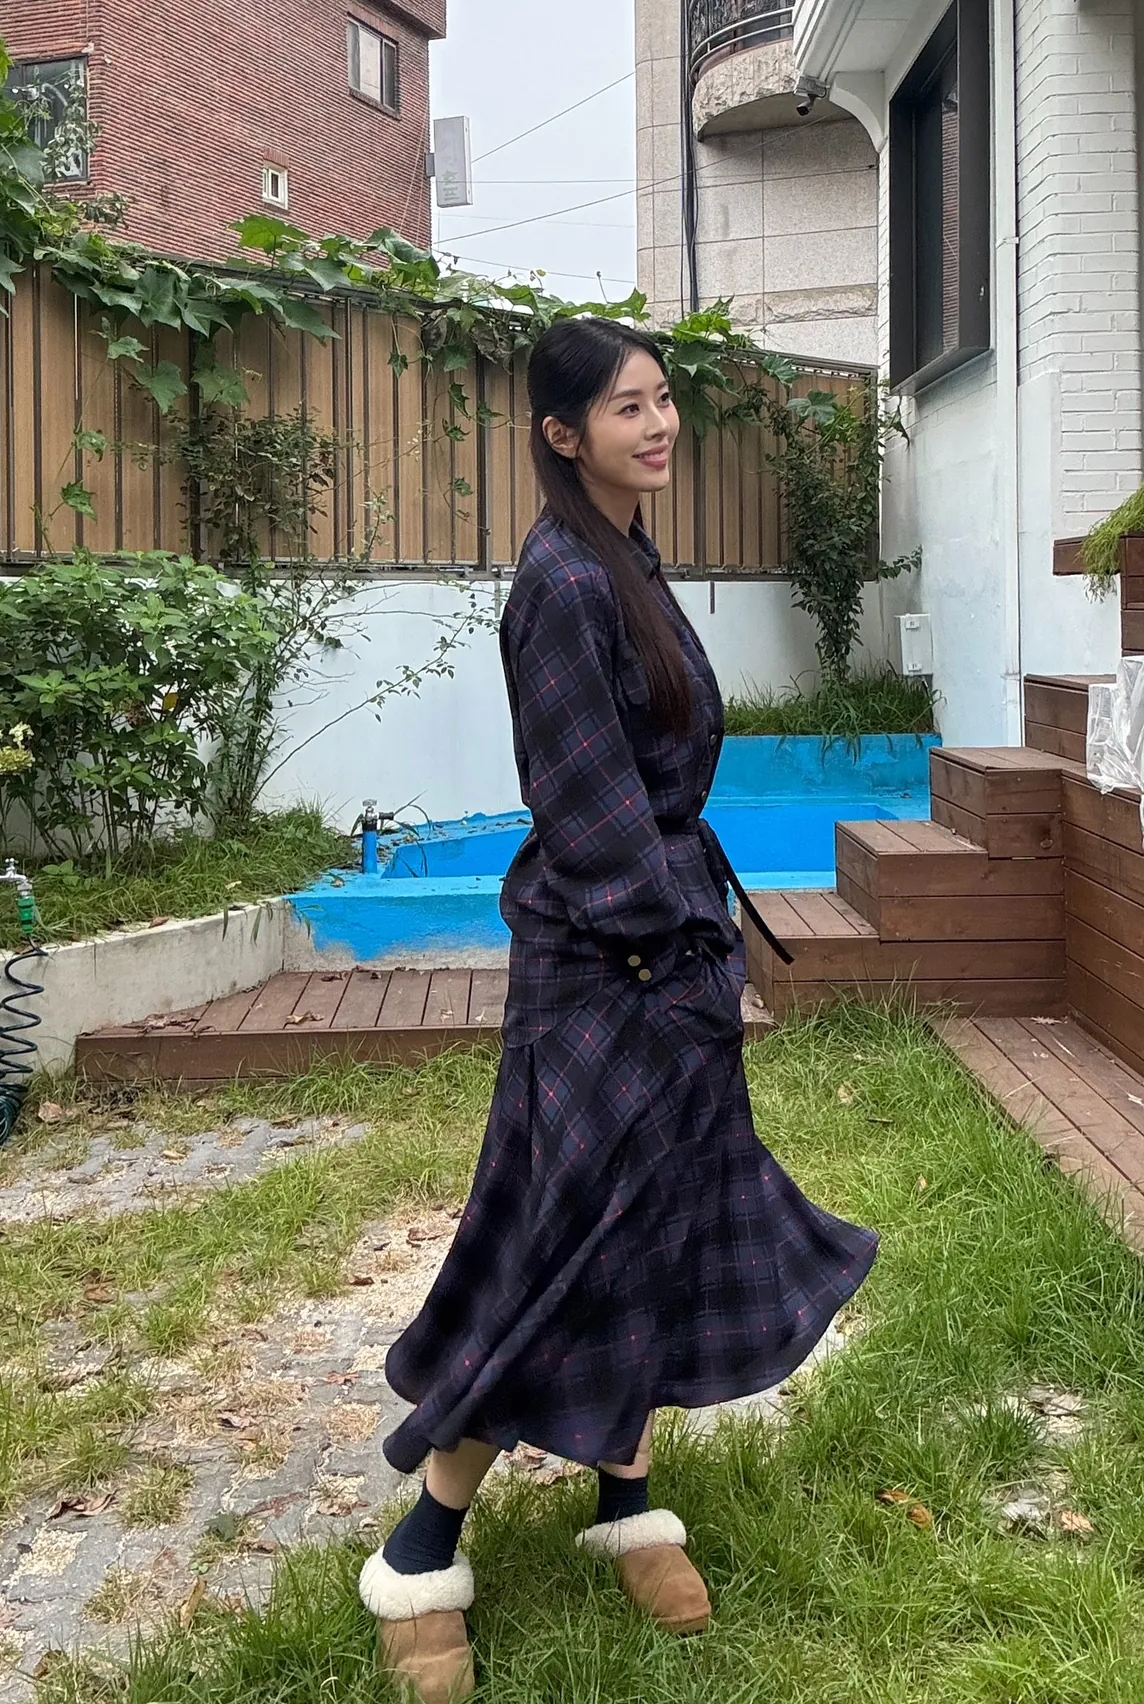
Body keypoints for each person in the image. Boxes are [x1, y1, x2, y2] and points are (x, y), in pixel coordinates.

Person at [357, 318, 878, 1703]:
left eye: (662, 400)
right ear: (562, 432)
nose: (658, 426)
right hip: (608, 965)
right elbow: (586, 812)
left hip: (666, 952)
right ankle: (421, 1549)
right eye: (627, 407)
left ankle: (625, 1499)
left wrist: (698, 950)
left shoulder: (624, 555)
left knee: (656, 1226)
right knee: (566, 1243)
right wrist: (681, 953)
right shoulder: (562, 583)